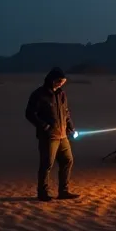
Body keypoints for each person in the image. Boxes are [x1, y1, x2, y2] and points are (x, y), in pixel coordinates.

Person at [25, 67, 79, 201]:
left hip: (63, 136)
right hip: (49, 137)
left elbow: (66, 113)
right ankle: (42, 193)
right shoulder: (39, 94)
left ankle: (63, 191)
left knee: (68, 161)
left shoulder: (62, 95)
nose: (61, 83)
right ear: (51, 80)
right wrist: (44, 126)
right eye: (59, 80)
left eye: (63, 81)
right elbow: (29, 114)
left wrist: (70, 128)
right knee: (47, 164)